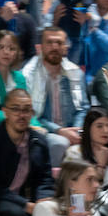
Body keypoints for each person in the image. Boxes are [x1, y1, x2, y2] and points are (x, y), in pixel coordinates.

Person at [0, 88, 53, 216]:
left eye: (26, 110)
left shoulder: (39, 141)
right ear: (5, 112)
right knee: (19, 215)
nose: (21, 115)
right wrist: (24, 204)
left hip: (27, 199)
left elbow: (45, 178)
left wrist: (44, 199)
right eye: (16, 109)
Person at [21, 26, 86, 163]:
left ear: (66, 47)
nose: (54, 47)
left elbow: (83, 107)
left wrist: (77, 130)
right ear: (41, 47)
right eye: (49, 42)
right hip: (43, 130)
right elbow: (33, 114)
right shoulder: (27, 75)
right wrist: (60, 130)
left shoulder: (75, 73)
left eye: (59, 43)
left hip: (74, 130)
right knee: (60, 143)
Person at [31, 158, 101, 216]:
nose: (97, 185)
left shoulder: (94, 214)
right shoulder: (44, 208)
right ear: (71, 184)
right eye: (89, 179)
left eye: (96, 180)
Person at [63, 105, 108, 185]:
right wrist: (101, 165)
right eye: (99, 126)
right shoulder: (74, 153)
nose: (106, 130)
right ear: (88, 128)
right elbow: (81, 187)